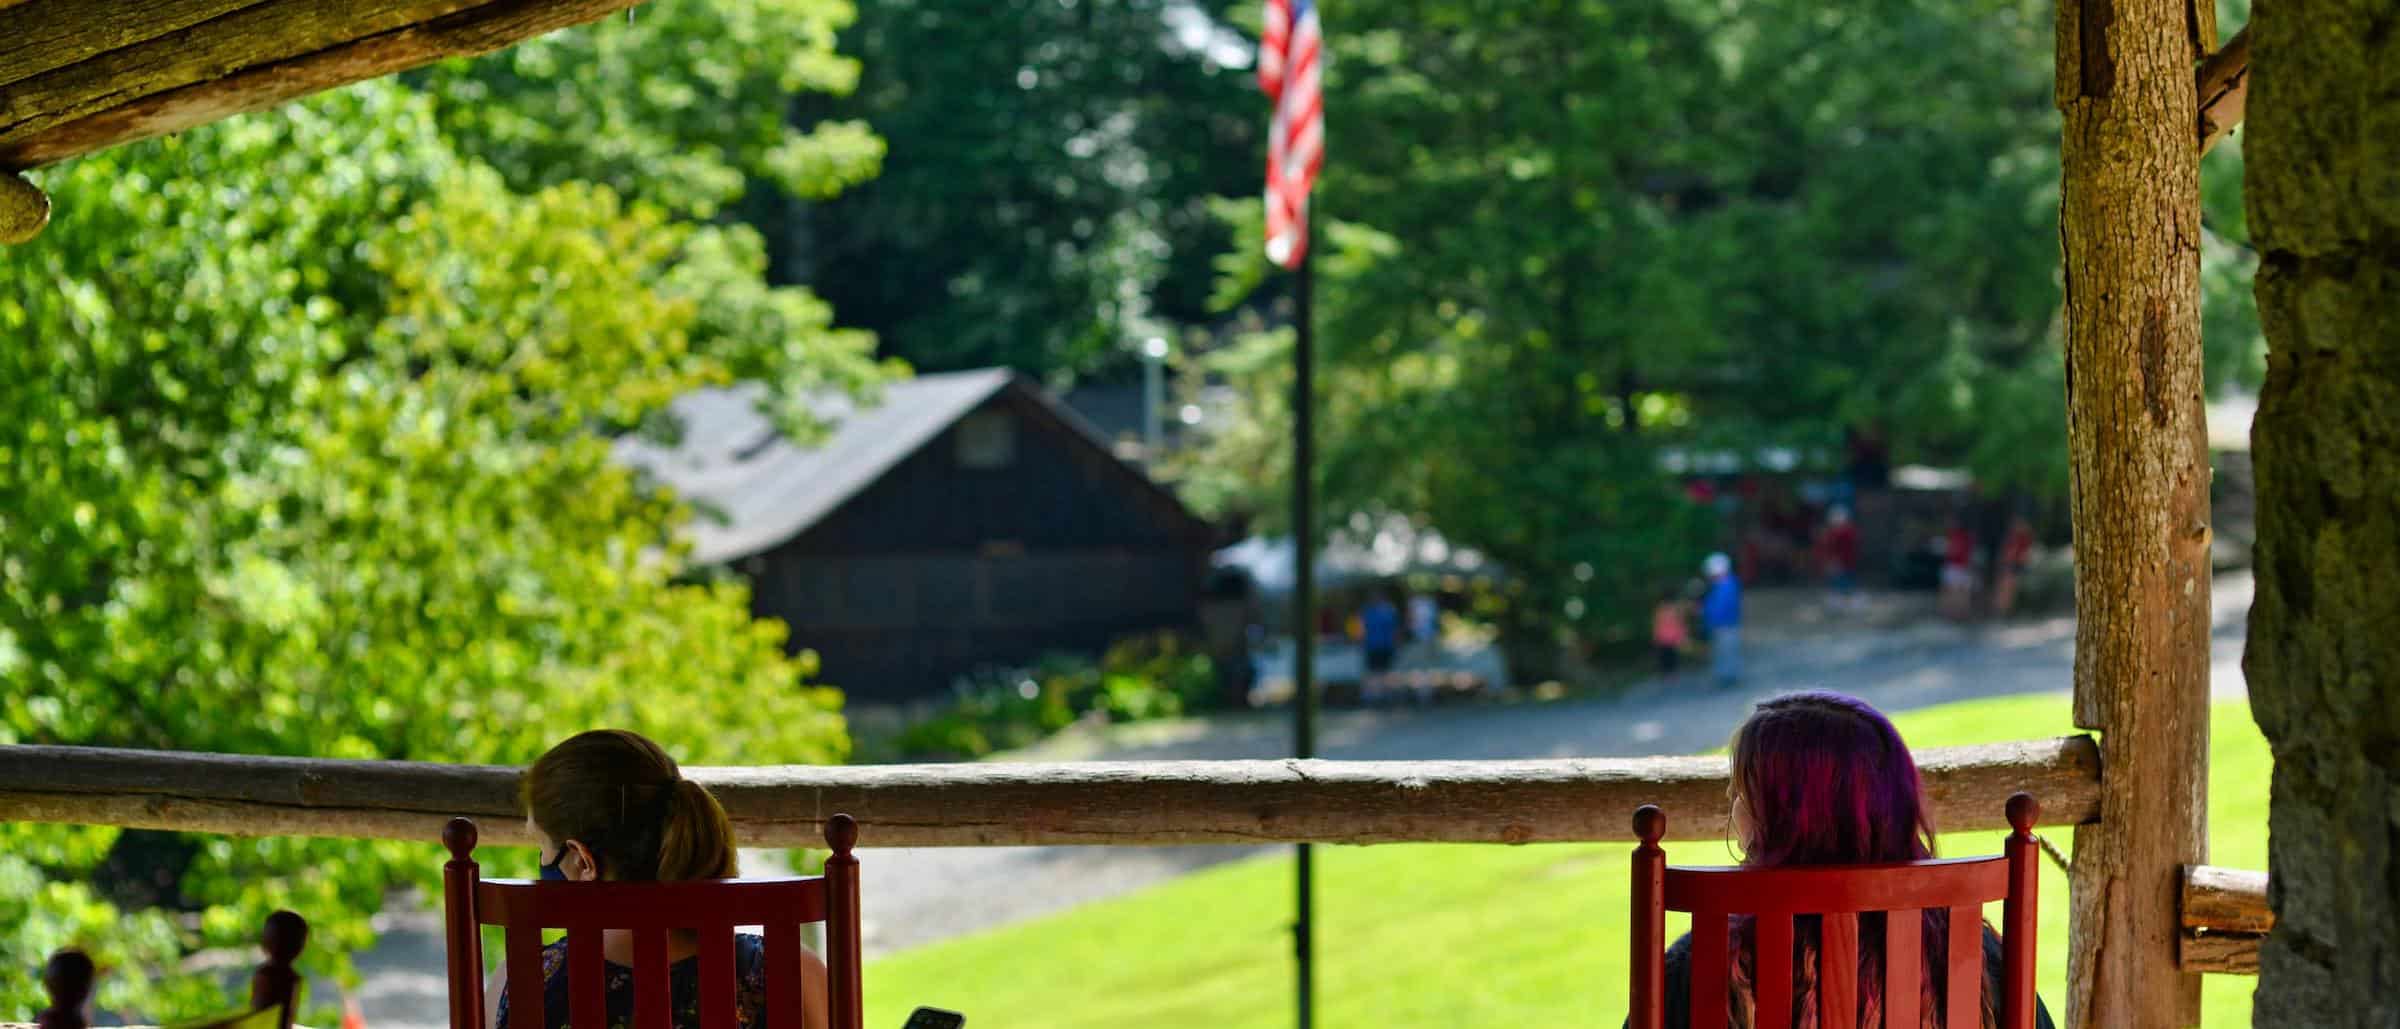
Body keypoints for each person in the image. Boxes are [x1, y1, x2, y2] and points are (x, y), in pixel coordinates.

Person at [1636, 692, 2058, 1029]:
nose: (1732, 804)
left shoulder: (1707, 965)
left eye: (1743, 794)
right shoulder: (1973, 958)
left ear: (1783, 819)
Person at [489, 729, 830, 1029]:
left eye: (541, 844)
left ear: (582, 862)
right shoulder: (792, 974)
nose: (542, 860)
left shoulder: (522, 982)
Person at [1700, 553, 1743, 689]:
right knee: (1722, 650)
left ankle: (1728, 677)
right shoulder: (1723, 585)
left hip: (1725, 624)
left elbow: (1720, 607)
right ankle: (1725, 676)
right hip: (1722, 624)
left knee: (1726, 650)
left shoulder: (1726, 586)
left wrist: (1706, 613)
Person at [1817, 506, 1863, 611]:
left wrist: (1836, 560)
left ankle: (1852, 601)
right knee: (1838, 581)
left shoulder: (1847, 532)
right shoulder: (1833, 532)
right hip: (1839, 561)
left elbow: (1848, 548)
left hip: (1845, 561)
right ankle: (1838, 601)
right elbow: (1829, 547)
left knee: (1846, 581)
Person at [1991, 516, 2036, 618]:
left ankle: (2004, 611)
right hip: (2009, 565)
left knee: (2008, 589)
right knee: (2004, 589)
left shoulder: (2024, 539)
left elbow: (2023, 555)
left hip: (2015, 566)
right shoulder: (2012, 537)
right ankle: (2000, 610)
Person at [1359, 591, 1401, 694]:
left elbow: (1361, 630)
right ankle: (1380, 695)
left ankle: (1378, 695)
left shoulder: (1368, 611)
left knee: (1377, 672)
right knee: (1380, 672)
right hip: (1379, 646)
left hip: (1377, 646)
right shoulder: (1389, 610)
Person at [1939, 516, 1978, 622]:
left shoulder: (1964, 537)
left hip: (1961, 567)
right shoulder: (1954, 536)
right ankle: (1949, 614)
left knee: (1961, 593)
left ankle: (1959, 614)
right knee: (1952, 592)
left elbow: (1960, 553)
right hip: (1954, 567)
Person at [1651, 593, 1690, 680]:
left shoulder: (1661, 610)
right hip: (1669, 637)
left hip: (1665, 637)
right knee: (1670, 656)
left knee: (1667, 656)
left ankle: (1668, 674)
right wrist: (1683, 635)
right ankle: (1670, 674)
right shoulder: (1673, 609)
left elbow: (1657, 624)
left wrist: (1655, 636)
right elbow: (1680, 623)